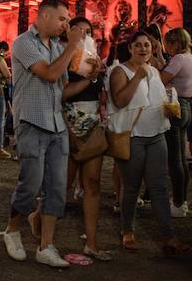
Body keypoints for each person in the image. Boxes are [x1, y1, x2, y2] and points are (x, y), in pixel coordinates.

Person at [2, 0, 83, 269]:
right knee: (31, 184)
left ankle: (45, 246)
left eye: (67, 21)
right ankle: (12, 229)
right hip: (32, 122)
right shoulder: (24, 43)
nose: (65, 25)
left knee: (57, 189)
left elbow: (61, 90)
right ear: (45, 16)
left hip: (57, 125)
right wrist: (72, 47)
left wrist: (91, 78)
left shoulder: (57, 47)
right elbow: (49, 74)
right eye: (62, 19)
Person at [108, 30, 187, 255]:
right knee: (131, 187)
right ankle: (127, 231)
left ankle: (169, 237)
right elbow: (120, 101)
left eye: (147, 45)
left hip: (157, 134)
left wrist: (171, 108)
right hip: (132, 137)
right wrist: (138, 77)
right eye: (138, 45)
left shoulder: (154, 71)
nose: (143, 49)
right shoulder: (119, 71)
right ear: (130, 48)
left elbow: (159, 99)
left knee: (160, 187)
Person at [61, 17, 110, 261]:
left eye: (88, 32)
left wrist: (98, 79)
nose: (84, 35)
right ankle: (39, 222)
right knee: (63, 187)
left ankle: (91, 243)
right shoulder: (62, 58)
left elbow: (99, 93)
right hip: (69, 123)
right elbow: (60, 94)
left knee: (93, 184)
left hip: (92, 124)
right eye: (79, 31)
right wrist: (89, 79)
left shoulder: (94, 59)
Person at [159, 27, 192, 217]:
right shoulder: (191, 57)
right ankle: (182, 200)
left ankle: (178, 202)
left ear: (174, 43)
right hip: (186, 106)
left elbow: (161, 79)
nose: (166, 47)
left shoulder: (178, 59)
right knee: (181, 158)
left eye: (167, 44)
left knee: (175, 159)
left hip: (176, 106)